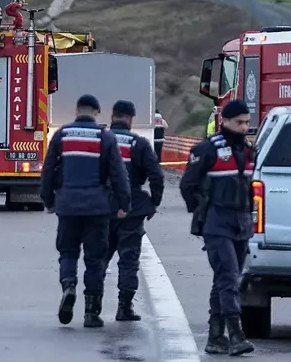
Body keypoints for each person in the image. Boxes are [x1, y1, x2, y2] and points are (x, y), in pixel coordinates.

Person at [39, 94, 131, 329]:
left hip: (68, 206)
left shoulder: (62, 135)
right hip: (97, 208)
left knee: (68, 252)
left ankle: (69, 285)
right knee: (95, 260)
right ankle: (92, 312)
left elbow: (48, 169)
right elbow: (119, 174)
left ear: (76, 110)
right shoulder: (105, 137)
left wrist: (49, 200)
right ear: (97, 112)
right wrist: (124, 204)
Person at [180, 99, 256, 356]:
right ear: (224, 121)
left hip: (242, 223)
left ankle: (215, 335)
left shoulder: (248, 151)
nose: (244, 127)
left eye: (246, 122)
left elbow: (249, 187)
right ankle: (235, 334)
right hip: (217, 222)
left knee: (228, 278)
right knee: (227, 277)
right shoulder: (207, 149)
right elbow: (187, 185)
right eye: (239, 122)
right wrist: (201, 211)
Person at [104, 99, 164, 322]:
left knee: (99, 258)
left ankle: (92, 308)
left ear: (112, 117)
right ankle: (124, 306)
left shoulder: (101, 140)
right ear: (130, 119)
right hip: (131, 207)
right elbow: (156, 174)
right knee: (128, 260)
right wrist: (154, 202)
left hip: (102, 207)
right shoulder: (138, 144)